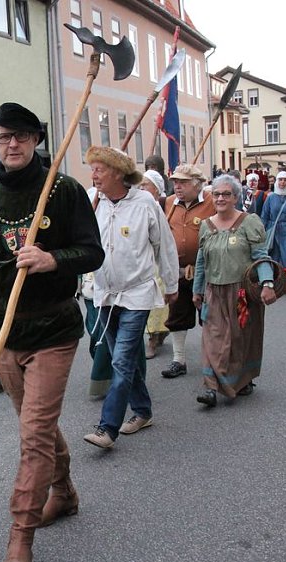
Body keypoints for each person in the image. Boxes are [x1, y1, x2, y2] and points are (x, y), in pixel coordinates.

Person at [0, 103, 104, 562]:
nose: (12, 145)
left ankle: (19, 538)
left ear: (36, 140)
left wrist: (52, 259)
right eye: (3, 137)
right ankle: (63, 493)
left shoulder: (63, 191)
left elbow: (92, 252)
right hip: (5, 333)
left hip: (53, 330)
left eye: (21, 136)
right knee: (36, 428)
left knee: (34, 433)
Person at [82, 147, 178, 450]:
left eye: (99, 169)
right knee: (123, 361)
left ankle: (107, 428)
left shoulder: (144, 203)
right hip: (104, 294)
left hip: (137, 293)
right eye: (93, 169)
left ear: (118, 173)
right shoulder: (92, 201)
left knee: (121, 361)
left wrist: (171, 283)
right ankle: (143, 411)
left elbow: (165, 245)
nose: (94, 175)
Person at [192, 174, 276, 407]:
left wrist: (267, 284)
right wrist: (197, 290)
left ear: (236, 197)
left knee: (240, 340)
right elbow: (201, 260)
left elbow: (261, 256)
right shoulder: (206, 225)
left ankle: (242, 380)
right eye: (216, 194)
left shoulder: (249, 222)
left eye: (226, 194)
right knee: (214, 338)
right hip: (214, 293)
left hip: (242, 294)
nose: (220, 198)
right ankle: (211, 387)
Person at [161, 164, 215, 379]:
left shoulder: (212, 201)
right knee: (177, 315)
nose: (177, 186)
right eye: (175, 182)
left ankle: (213, 361)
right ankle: (179, 360)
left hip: (206, 271)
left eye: (182, 182)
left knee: (210, 317)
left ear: (197, 184)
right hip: (178, 271)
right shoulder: (169, 203)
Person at [139, 170, 170, 358]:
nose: (141, 188)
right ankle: (154, 334)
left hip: (158, 261)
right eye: (140, 185)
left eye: (146, 185)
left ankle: (155, 336)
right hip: (144, 262)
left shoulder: (160, 206)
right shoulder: (138, 206)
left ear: (157, 189)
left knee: (159, 303)